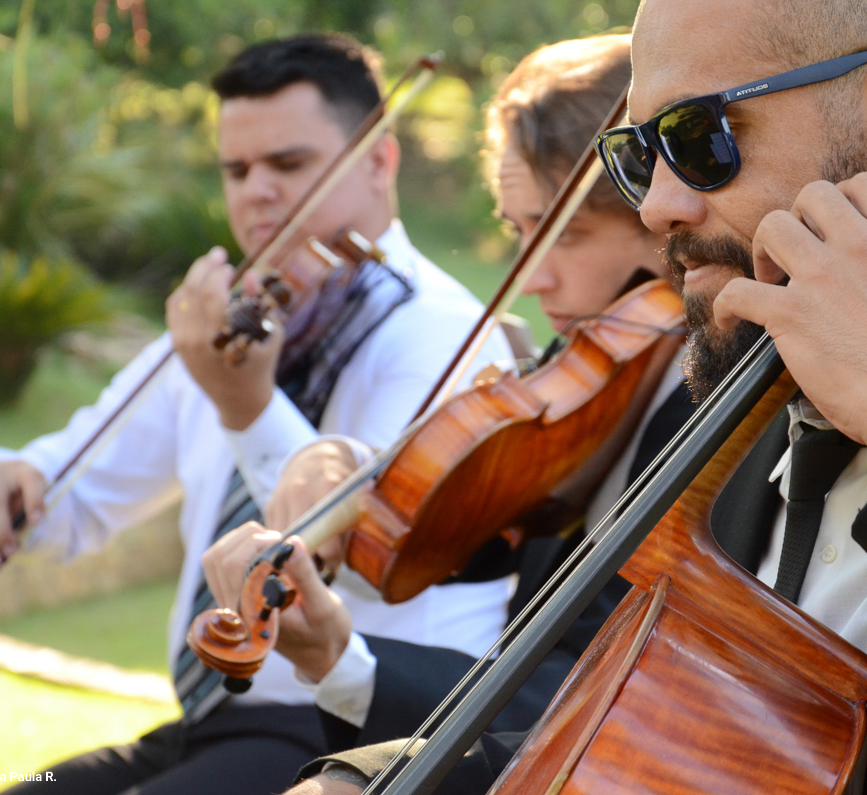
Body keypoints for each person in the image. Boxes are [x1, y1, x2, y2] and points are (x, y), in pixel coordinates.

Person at [293, 2, 867, 793]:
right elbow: (640, 746)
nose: (657, 206)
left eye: (699, 136)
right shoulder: (740, 399)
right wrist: (367, 779)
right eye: (636, 154)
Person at [0, 33, 513, 795]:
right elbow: (78, 488)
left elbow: (361, 545)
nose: (256, 193)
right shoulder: (236, 317)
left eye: (288, 165)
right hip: (211, 722)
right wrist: (12, 479)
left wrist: (248, 406)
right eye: (236, 171)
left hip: (356, 734)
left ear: (379, 161)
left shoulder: (446, 336)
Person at [200, 32, 696, 761]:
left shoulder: (707, 407)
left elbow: (593, 689)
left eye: (568, 232)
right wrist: (346, 461)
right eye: (518, 230)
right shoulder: (591, 377)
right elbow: (474, 505)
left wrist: (345, 656)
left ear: (661, 218)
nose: (533, 278)